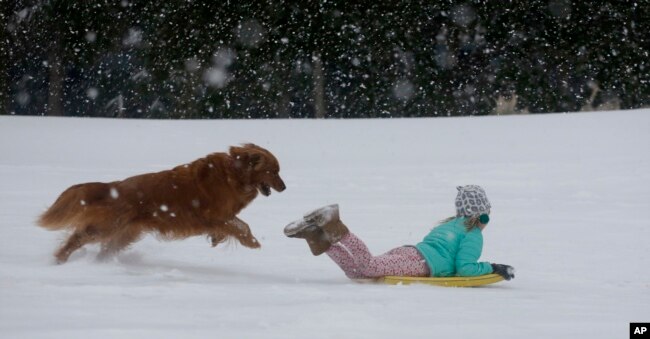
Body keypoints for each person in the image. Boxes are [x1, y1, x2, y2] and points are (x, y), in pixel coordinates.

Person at [283, 185, 515, 280]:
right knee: (368, 268)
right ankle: (337, 228)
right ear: (482, 215)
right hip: (423, 265)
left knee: (358, 274)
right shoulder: (473, 234)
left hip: (410, 252)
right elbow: (464, 268)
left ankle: (319, 237)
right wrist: (492, 267)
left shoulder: (449, 224)